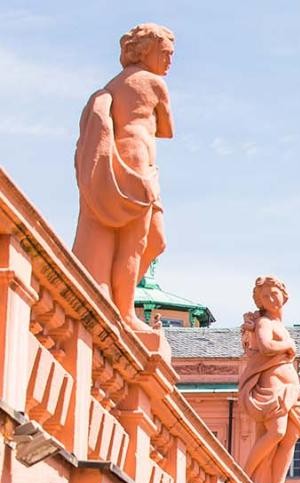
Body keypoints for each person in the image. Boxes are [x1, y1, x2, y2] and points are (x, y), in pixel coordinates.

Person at [73, 23, 175, 333]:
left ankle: (118, 299)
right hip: (138, 165)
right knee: (136, 242)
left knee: (152, 240)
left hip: (119, 161)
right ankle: (125, 311)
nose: (170, 61)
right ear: (147, 52)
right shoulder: (155, 84)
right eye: (166, 54)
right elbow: (167, 129)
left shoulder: (110, 87)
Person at [238, 276, 300, 483]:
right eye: (265, 296)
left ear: (284, 295)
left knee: (289, 437)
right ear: (259, 301)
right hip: (274, 387)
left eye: (274, 293)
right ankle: (245, 479)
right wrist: (288, 344)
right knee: (276, 432)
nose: (271, 299)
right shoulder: (264, 323)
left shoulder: (279, 325)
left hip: (292, 390)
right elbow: (267, 347)